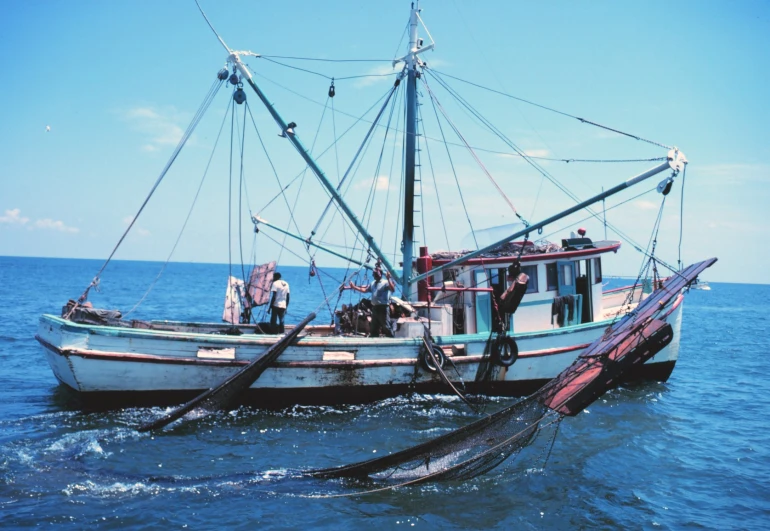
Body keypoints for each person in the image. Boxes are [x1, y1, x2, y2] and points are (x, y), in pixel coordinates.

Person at [346, 267, 396, 337]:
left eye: (375, 273)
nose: (374, 275)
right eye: (373, 274)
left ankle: (392, 340)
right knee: (373, 328)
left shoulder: (385, 283)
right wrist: (354, 287)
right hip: (375, 308)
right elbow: (365, 290)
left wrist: (388, 278)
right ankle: (374, 342)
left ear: (380, 274)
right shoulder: (373, 283)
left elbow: (393, 289)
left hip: (383, 308)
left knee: (386, 327)